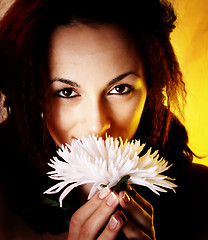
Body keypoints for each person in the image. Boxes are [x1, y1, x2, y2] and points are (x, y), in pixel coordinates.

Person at [0, 0, 207, 239]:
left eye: (120, 89)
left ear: (150, 91)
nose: (97, 126)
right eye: (66, 92)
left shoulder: (201, 194)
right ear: (34, 99)